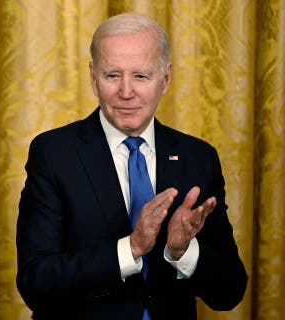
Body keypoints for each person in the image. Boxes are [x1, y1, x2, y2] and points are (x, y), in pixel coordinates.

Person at [16, 12, 247, 320]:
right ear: (93, 77)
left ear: (165, 80)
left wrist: (183, 252)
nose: (126, 92)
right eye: (113, 75)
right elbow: (36, 282)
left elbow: (229, 292)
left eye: (141, 76)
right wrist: (131, 248)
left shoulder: (198, 157)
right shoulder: (54, 153)